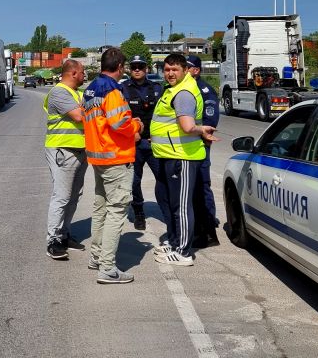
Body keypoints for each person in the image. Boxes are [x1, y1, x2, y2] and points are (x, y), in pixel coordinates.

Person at [150, 53, 219, 266]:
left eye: (175, 70)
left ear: (185, 70)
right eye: (167, 70)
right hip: (170, 154)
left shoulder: (184, 93)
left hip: (183, 156)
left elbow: (187, 126)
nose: (170, 73)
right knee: (171, 202)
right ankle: (175, 242)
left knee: (181, 205)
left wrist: (201, 130)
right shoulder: (174, 89)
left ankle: (183, 252)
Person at [83, 47, 142, 284]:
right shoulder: (113, 91)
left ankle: (96, 257)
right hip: (116, 157)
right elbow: (119, 124)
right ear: (120, 67)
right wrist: (136, 127)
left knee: (100, 209)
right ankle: (107, 268)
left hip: (98, 157)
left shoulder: (90, 89)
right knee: (117, 211)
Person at [43, 59, 88, 260]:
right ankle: (53, 240)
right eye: (83, 72)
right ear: (73, 73)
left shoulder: (77, 94)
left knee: (74, 195)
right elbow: (80, 116)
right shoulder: (59, 92)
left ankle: (64, 234)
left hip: (79, 149)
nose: (85, 75)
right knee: (61, 195)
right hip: (63, 149)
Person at [120, 55, 164, 231]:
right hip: (134, 144)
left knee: (163, 178)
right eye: (134, 66)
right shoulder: (122, 88)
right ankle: (139, 212)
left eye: (140, 66)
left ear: (146, 69)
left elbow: (164, 115)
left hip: (153, 143)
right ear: (130, 69)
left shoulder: (157, 88)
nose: (137, 69)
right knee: (134, 181)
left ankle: (167, 210)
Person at [186, 54, 221, 247]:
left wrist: (204, 141)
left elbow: (210, 121)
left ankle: (208, 229)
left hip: (199, 145)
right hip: (186, 147)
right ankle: (200, 225)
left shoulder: (204, 90)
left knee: (201, 186)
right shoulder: (184, 88)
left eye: (187, 67)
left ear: (196, 70)